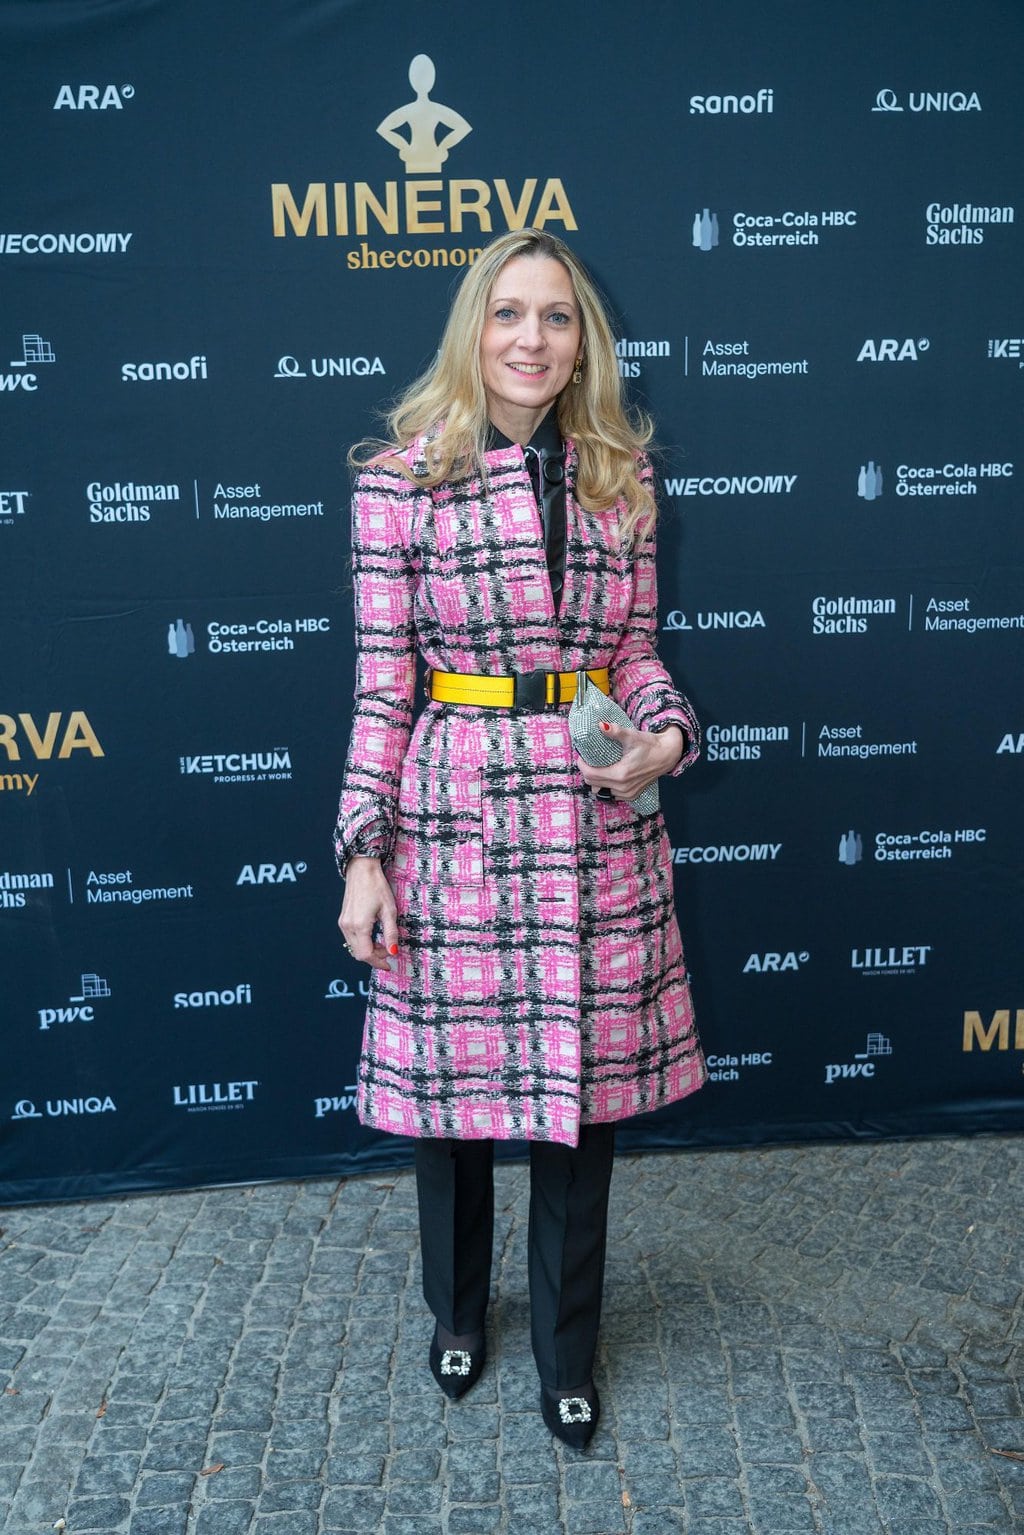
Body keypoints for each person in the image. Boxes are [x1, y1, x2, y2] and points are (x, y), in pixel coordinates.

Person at [333, 228, 705, 1449]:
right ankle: (456, 1308)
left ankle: (567, 1349)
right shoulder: (401, 480)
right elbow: (383, 685)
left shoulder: (619, 476)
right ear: (473, 330)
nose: (530, 338)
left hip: (594, 812)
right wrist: (364, 849)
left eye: (555, 316)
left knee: (581, 1108)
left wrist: (665, 733)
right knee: (452, 1105)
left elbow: (635, 651)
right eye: (507, 313)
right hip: (455, 813)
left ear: (581, 340)